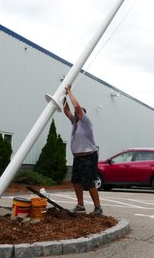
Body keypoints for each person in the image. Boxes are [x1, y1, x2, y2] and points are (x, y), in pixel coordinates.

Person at [62, 84, 103, 215]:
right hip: (78, 158)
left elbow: (76, 107)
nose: (75, 114)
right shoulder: (75, 123)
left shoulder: (86, 123)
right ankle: (80, 206)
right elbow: (66, 110)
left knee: (89, 183)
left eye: (77, 113)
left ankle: (98, 208)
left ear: (83, 115)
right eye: (75, 114)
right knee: (76, 181)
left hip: (88, 157)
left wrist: (69, 92)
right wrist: (63, 96)